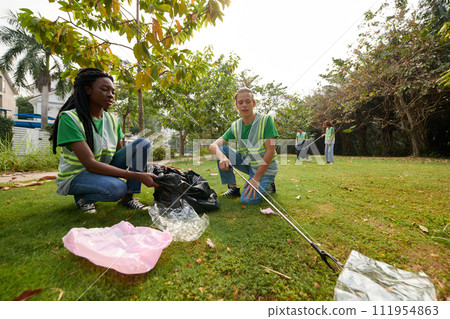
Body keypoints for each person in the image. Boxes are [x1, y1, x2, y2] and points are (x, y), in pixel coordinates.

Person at [50, 68, 159, 214]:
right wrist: (138, 176)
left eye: (113, 91)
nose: (111, 95)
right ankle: (84, 198)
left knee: (142, 143)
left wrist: (149, 166)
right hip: (77, 176)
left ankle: (128, 198)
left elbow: (122, 156)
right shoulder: (70, 119)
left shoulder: (112, 120)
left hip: (101, 171)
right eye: (104, 90)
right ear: (88, 90)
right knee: (117, 188)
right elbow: (90, 164)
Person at [209, 87, 279, 205]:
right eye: (240, 103)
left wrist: (256, 178)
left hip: (265, 168)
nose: (244, 105)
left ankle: (269, 183)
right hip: (249, 164)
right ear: (236, 106)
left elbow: (270, 152)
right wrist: (222, 157)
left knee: (247, 200)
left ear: (254, 103)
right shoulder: (235, 126)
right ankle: (233, 187)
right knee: (220, 150)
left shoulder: (266, 120)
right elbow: (213, 146)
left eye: (248, 101)